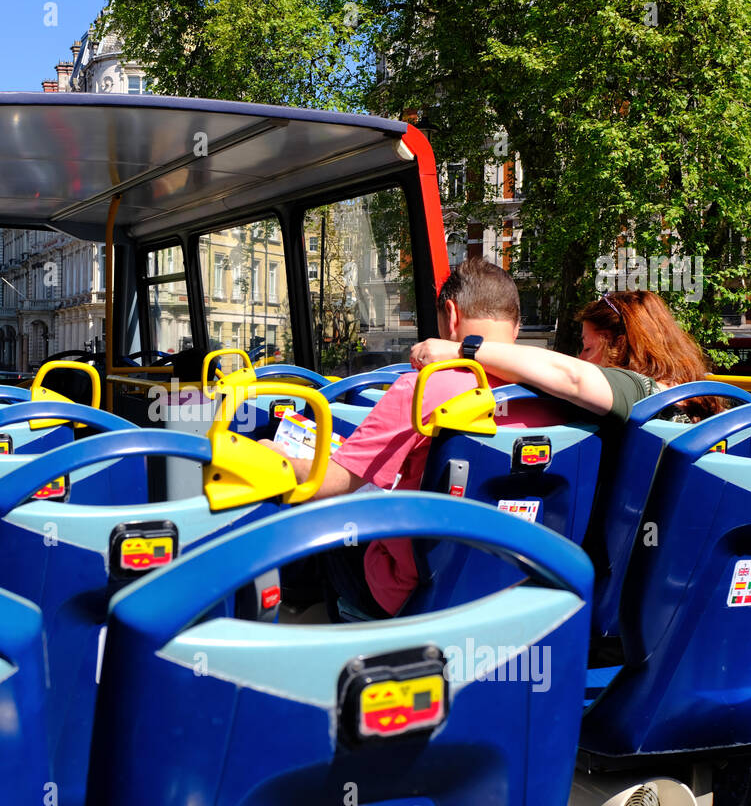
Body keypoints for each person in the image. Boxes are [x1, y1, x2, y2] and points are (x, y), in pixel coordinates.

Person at [265, 256, 563, 618]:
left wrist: (272, 456)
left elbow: (329, 483)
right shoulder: (554, 393)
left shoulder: (421, 389)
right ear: (515, 327)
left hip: (414, 595)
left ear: (450, 315)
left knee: (324, 522)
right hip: (516, 587)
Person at [411, 289, 714, 421]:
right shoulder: (693, 389)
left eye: (588, 347)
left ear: (619, 345)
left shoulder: (638, 389)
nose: (581, 358)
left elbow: (572, 377)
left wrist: (462, 350)